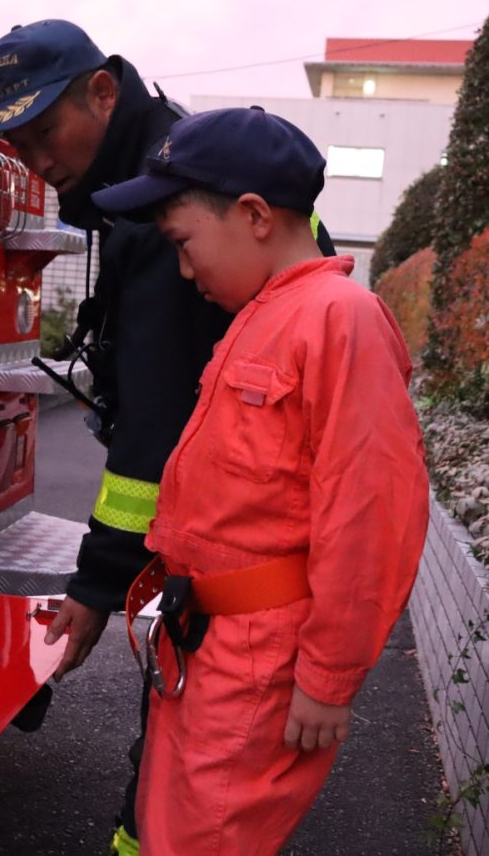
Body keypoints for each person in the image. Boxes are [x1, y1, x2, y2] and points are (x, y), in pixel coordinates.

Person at [0, 21, 335, 854]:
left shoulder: (172, 207)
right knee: (178, 776)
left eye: (45, 131)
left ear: (103, 91)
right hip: (231, 576)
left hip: (243, 594)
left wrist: (96, 589)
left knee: (188, 795)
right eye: (17, 144)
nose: (35, 160)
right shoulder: (163, 181)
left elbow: (155, 440)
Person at [89, 106, 429, 853]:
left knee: (200, 838)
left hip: (259, 659)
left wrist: (328, 677)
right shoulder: (263, 315)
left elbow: (371, 512)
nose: (184, 271)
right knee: (170, 825)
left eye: (183, 244)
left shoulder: (339, 318)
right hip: (207, 643)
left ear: (252, 215)